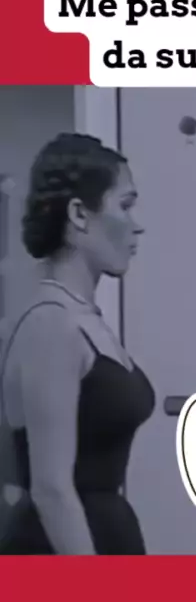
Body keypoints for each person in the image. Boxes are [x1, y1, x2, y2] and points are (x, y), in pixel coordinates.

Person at [0, 132, 155, 555]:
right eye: (125, 205)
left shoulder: (85, 318)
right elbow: (51, 489)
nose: (137, 224)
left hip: (107, 534)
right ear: (80, 215)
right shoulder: (50, 323)